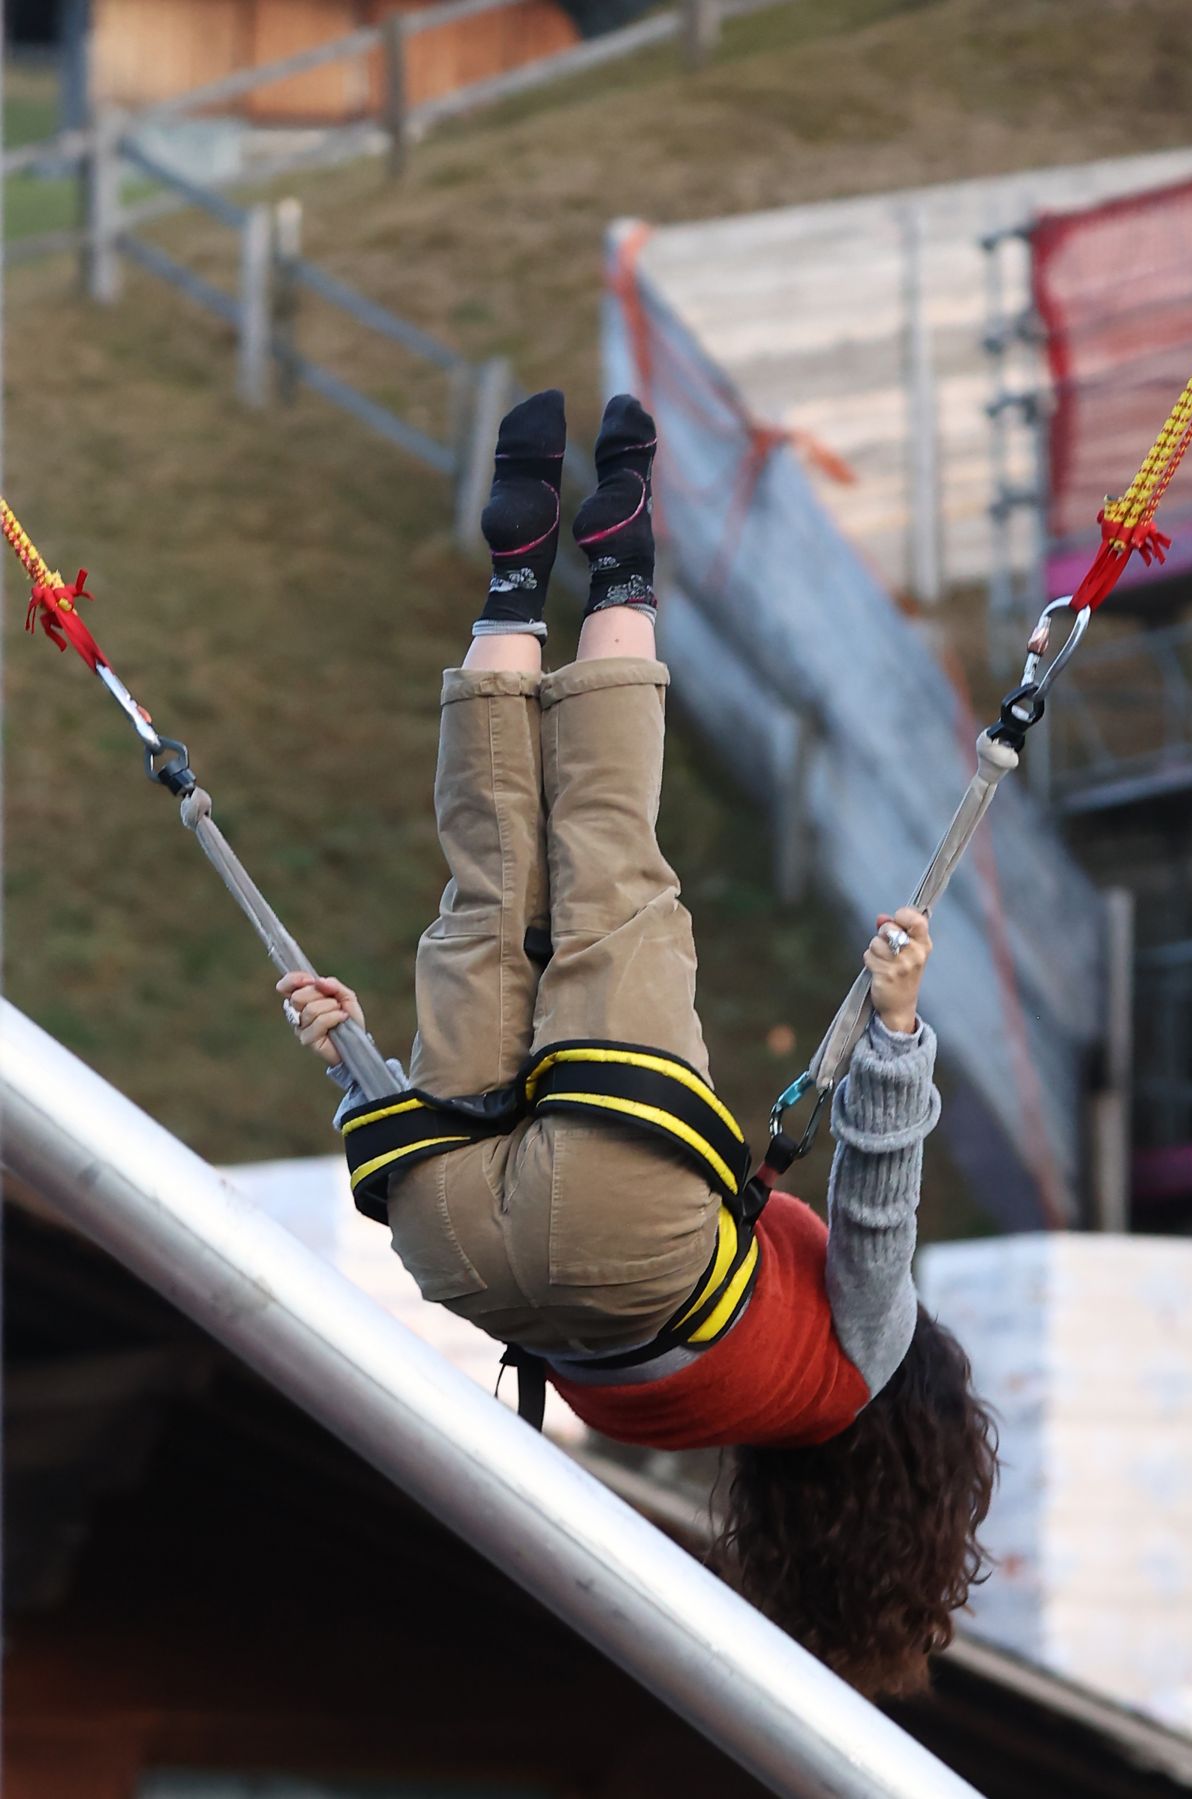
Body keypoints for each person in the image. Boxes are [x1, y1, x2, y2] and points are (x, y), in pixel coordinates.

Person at [278, 390, 998, 1698]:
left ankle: (613, 568)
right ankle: (509, 590)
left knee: (604, 861)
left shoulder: (857, 1370)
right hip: (451, 1250)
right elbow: (529, 1237)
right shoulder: (674, 1431)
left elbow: (877, 1197)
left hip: (637, 1217)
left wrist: (895, 1031)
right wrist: (356, 1067)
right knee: (487, 890)